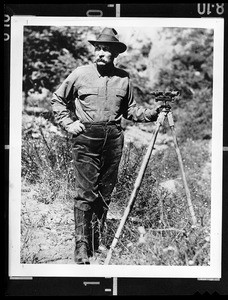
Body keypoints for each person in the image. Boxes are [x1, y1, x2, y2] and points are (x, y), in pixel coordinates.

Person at [51, 27, 160, 264]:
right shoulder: (80, 74)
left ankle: (96, 241)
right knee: (86, 193)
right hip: (86, 137)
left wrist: (153, 113)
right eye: (98, 48)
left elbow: (130, 110)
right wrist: (69, 123)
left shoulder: (124, 78)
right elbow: (58, 100)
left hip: (113, 138)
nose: (100, 53)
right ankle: (81, 246)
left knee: (105, 192)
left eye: (106, 49)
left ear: (115, 54)